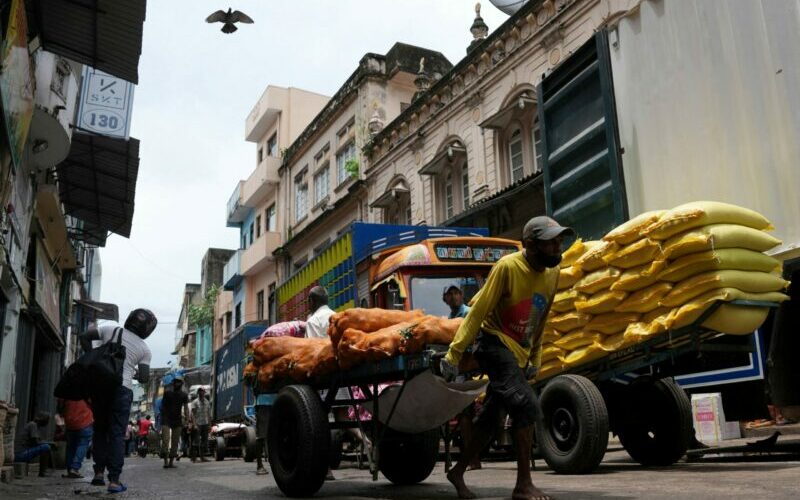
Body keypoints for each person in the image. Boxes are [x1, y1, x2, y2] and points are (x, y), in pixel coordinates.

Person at [441, 216, 573, 500]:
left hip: (519, 352)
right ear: (530, 245)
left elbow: (541, 316)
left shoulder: (553, 272)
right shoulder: (508, 267)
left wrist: (535, 357)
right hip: (492, 343)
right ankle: (522, 485)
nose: (557, 247)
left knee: (492, 417)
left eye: (559, 241)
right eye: (550, 242)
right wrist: (454, 354)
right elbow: (477, 312)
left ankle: (458, 470)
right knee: (526, 405)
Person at [79, 308, 155, 494]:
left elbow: (84, 336)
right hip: (123, 390)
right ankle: (114, 480)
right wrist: (133, 371)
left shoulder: (110, 330)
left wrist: (92, 357)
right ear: (147, 329)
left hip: (101, 386)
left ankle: (98, 473)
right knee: (116, 434)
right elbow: (145, 378)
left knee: (100, 429)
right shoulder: (144, 349)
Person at [160, 374, 192, 469]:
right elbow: (162, 406)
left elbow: (186, 407)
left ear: (181, 384)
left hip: (177, 420)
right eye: (175, 382)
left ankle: (171, 462)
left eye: (179, 382)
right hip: (166, 419)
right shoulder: (167, 393)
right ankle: (165, 461)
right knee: (165, 440)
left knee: (175, 441)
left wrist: (187, 419)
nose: (177, 383)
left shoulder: (184, 395)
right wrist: (161, 417)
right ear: (173, 383)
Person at [59, 399, 94, 478]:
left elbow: (60, 406)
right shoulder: (86, 390)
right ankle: (74, 468)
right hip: (85, 421)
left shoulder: (67, 390)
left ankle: (69, 469)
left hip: (70, 421)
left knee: (70, 447)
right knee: (83, 444)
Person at [14, 412, 54, 477]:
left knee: (46, 446)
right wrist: (49, 443)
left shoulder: (34, 426)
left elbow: (36, 441)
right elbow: (35, 443)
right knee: (46, 447)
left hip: (20, 454)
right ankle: (42, 472)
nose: (47, 423)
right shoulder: (33, 425)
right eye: (47, 420)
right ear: (42, 420)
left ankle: (44, 471)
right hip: (20, 455)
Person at [189, 388, 212, 462]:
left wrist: (209, 425)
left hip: (205, 423)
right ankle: (194, 457)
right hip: (197, 424)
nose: (201, 393)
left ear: (204, 393)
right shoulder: (195, 402)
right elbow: (192, 414)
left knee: (204, 441)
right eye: (200, 391)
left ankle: (202, 457)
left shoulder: (207, 402)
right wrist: (194, 424)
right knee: (196, 441)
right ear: (198, 393)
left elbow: (208, 414)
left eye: (202, 391)